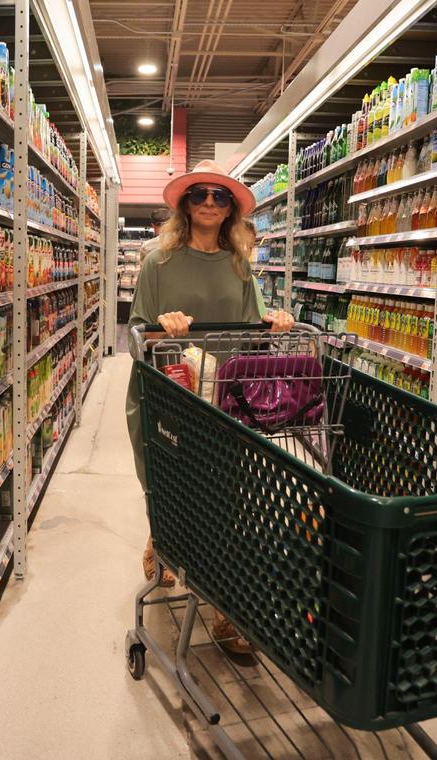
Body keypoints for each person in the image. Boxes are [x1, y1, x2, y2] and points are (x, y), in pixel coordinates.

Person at [127, 160, 294, 655]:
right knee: (171, 479)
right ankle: (164, 539)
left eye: (219, 197)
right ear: (183, 204)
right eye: (198, 194)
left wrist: (277, 322)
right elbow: (136, 329)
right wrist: (162, 324)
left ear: (231, 210)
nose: (208, 203)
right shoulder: (158, 260)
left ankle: (225, 608)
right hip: (167, 390)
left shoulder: (240, 264)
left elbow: (255, 328)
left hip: (222, 396)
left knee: (227, 496)